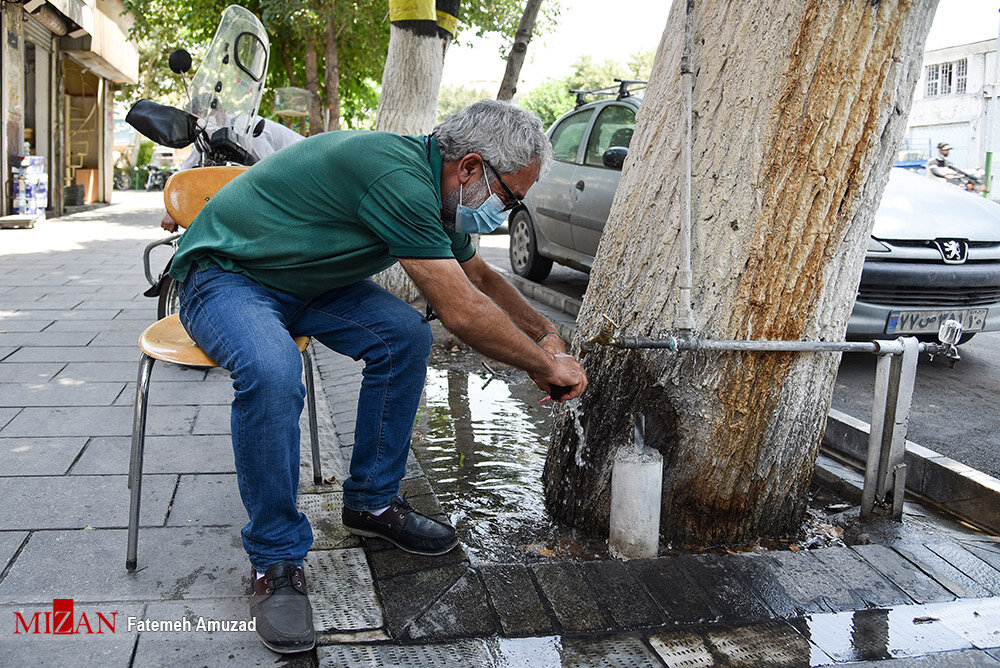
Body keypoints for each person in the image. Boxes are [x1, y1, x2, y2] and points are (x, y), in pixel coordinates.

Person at [167, 100, 588, 654]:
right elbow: (461, 311)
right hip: (225, 274)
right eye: (510, 196)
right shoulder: (398, 177)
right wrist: (544, 366)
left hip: (307, 284)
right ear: (471, 168)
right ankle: (275, 560)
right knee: (273, 370)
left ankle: (370, 501)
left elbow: (479, 274)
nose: (508, 213)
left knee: (404, 336)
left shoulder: (439, 190)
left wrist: (543, 334)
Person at [159, 118, 303, 232]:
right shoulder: (208, 133)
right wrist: (173, 209)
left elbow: (272, 173)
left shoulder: (248, 128)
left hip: (301, 168)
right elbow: (187, 170)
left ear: (219, 110)